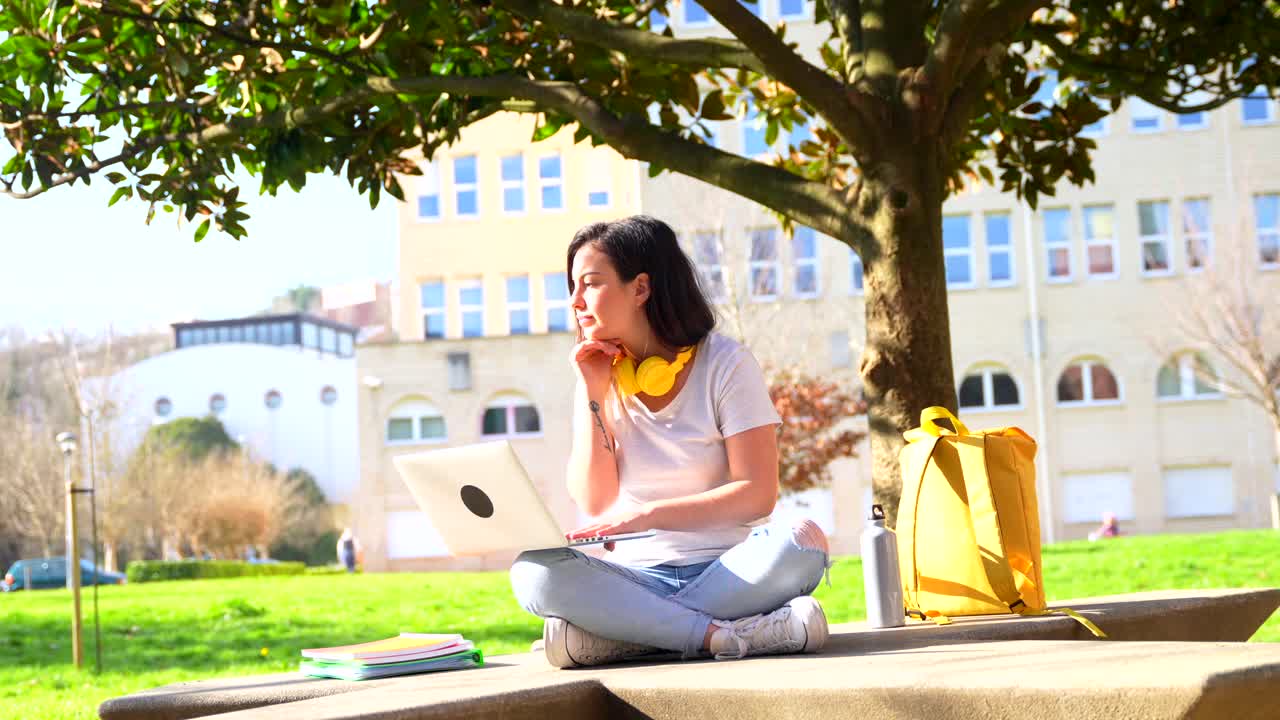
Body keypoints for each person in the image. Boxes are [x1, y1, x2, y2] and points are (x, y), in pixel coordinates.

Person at [510, 216, 831, 669]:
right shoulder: (597, 376)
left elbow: (758, 495)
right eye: (572, 287)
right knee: (532, 573)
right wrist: (592, 393)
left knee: (802, 544)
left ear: (640, 288)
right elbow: (594, 499)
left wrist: (649, 515)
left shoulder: (726, 364)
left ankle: (630, 636)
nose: (576, 300)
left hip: (730, 568)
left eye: (591, 284)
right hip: (635, 576)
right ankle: (726, 634)